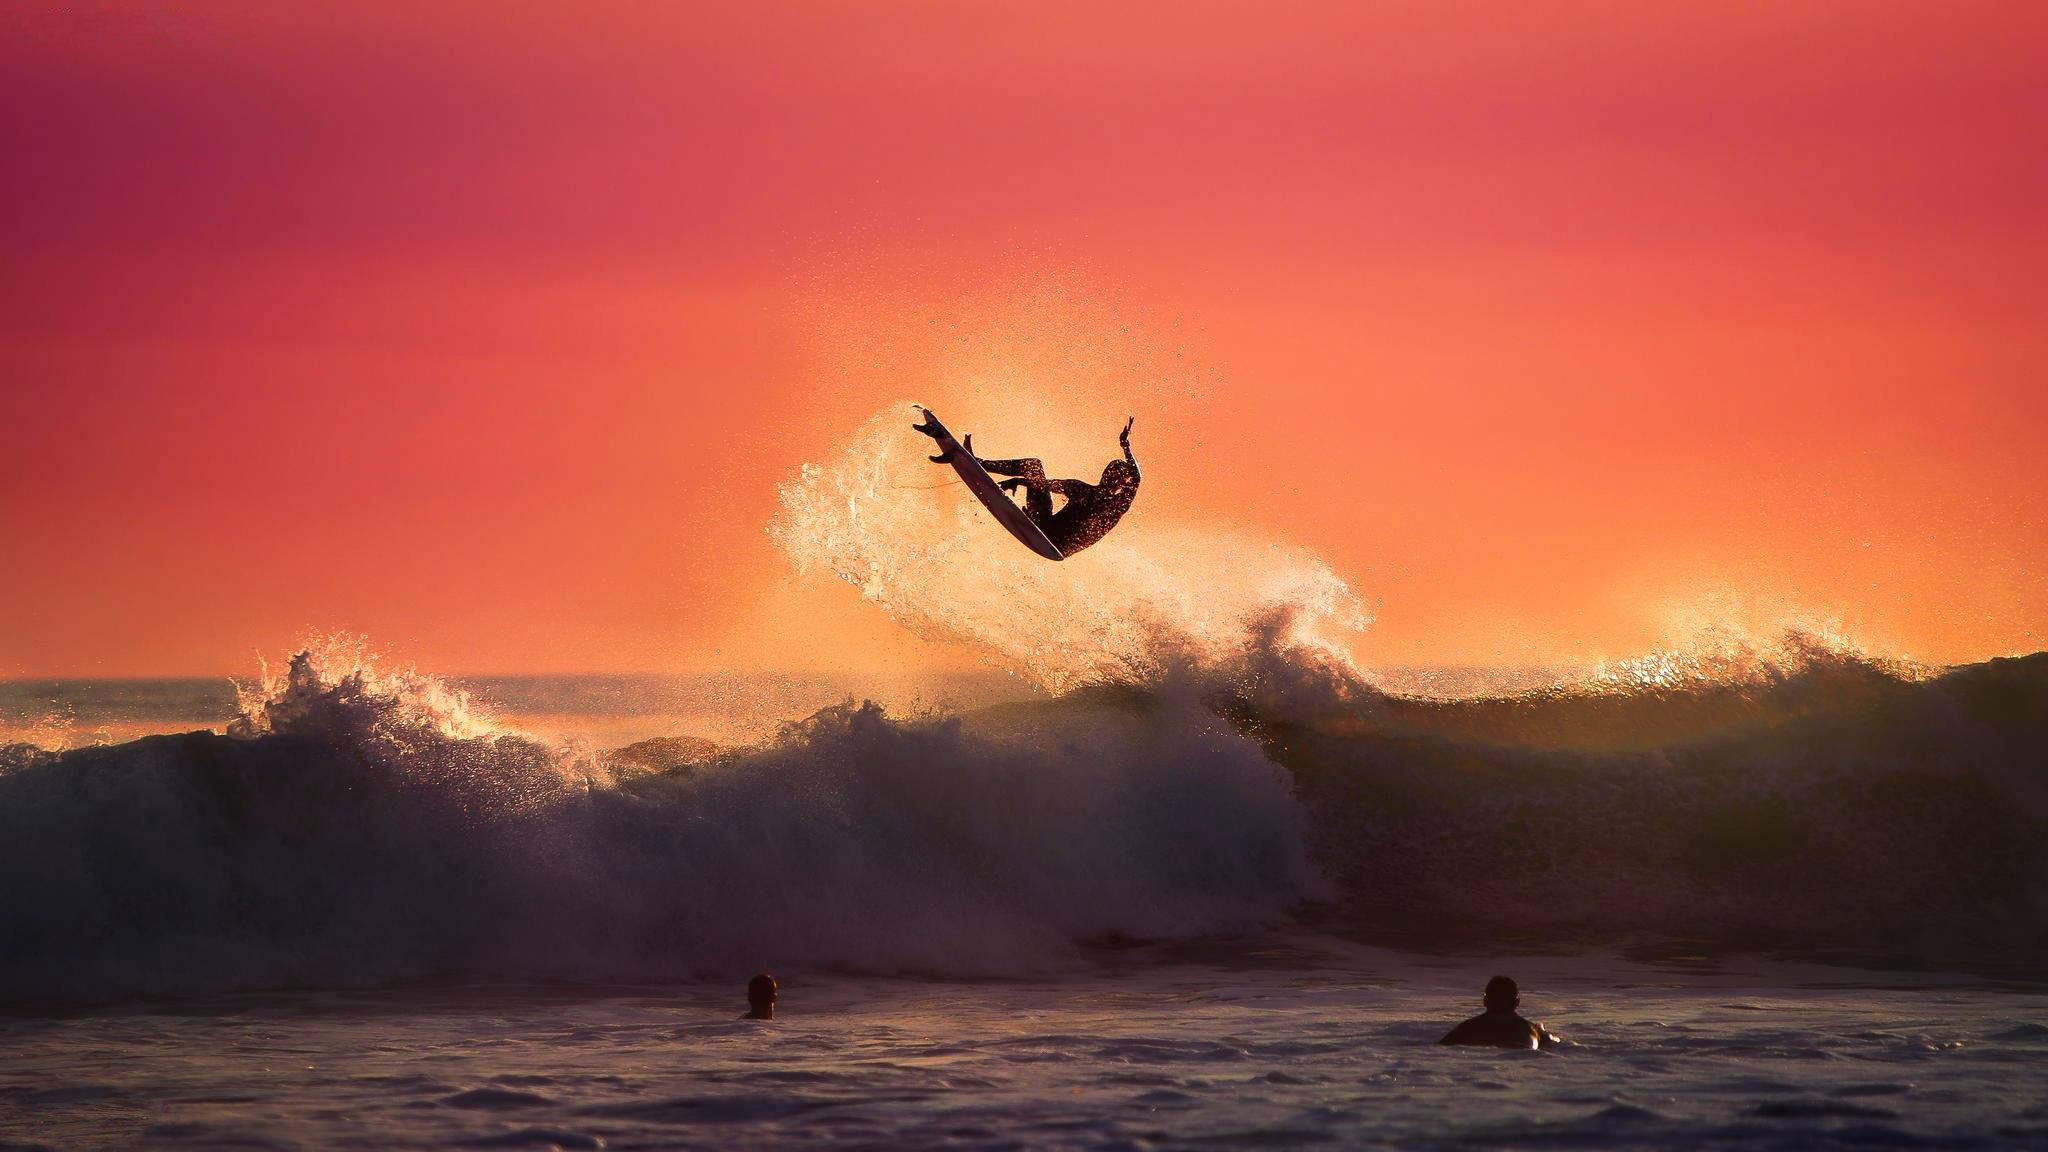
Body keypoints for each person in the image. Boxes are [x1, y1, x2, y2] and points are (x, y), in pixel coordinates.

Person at [921, 416, 1140, 557]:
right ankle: (975, 461)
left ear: (1122, 483)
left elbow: (1137, 478)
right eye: (1109, 472)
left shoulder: (1117, 504)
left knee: (1032, 468)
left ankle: (975, 461)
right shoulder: (1080, 488)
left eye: (1116, 476)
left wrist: (1126, 447)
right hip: (1044, 527)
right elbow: (1040, 484)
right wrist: (1019, 481)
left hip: (1056, 543)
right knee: (1033, 465)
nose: (1110, 477)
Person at [1439, 976, 1561, 1049]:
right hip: (1521, 1058)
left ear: (1485, 1000)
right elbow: (1556, 1043)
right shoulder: (1533, 1030)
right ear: (1517, 1002)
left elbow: (1440, 1047)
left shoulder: (1466, 1029)